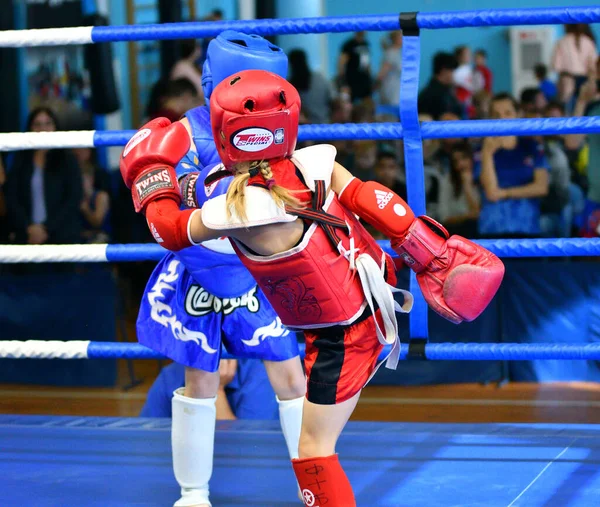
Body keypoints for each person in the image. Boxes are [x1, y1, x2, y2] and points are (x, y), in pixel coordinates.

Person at [120, 69, 505, 506]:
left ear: (225, 133)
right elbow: (366, 195)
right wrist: (424, 245)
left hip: (342, 338)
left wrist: (151, 175)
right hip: (368, 303)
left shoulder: (242, 209)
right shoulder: (315, 160)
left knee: (313, 452)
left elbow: (170, 232)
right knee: (311, 437)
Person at [133, 33, 306, 507]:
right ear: (218, 84)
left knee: (291, 379)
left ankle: (316, 487)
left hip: (258, 270)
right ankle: (193, 493)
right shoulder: (184, 134)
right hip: (201, 269)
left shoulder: (277, 134)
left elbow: (293, 199)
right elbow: (168, 210)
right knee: (201, 382)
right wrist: (210, 192)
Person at [418, 52, 462, 120]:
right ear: (444, 71)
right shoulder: (433, 94)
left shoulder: (446, 91)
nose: (454, 74)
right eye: (452, 71)